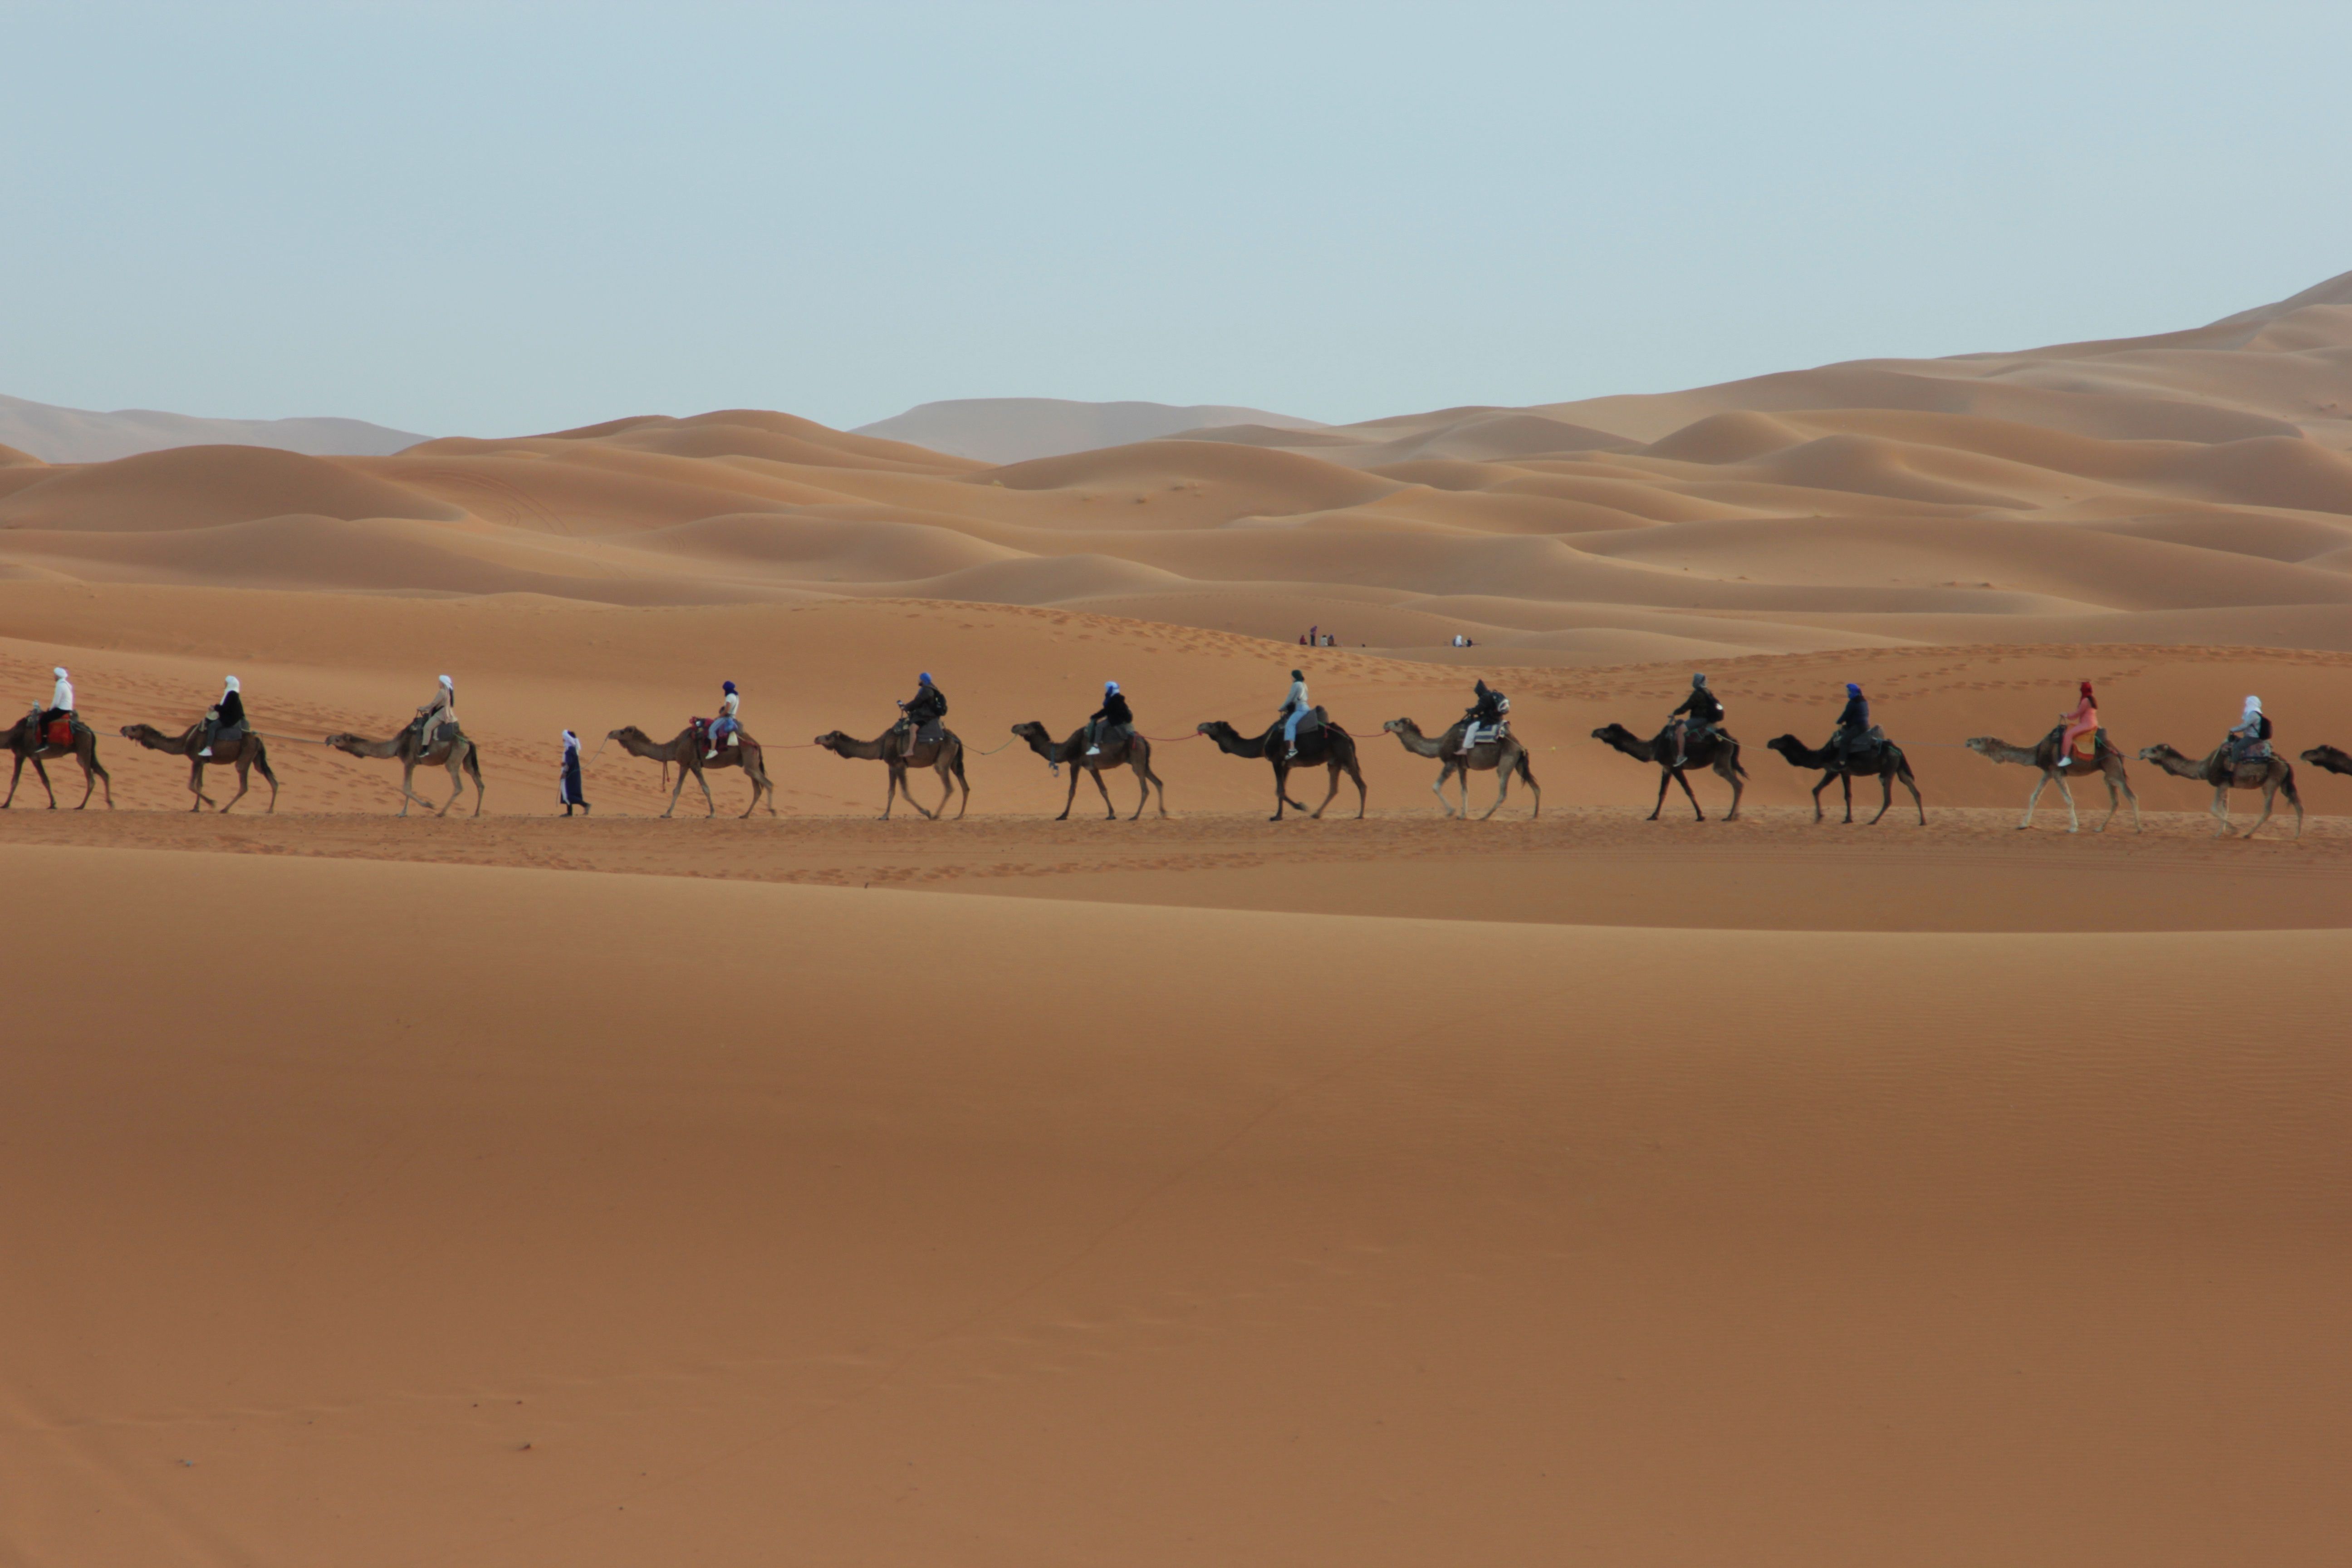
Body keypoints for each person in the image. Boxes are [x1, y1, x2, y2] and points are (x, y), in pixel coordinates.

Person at [1666, 672, 1723, 767]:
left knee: (1680, 731)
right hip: (1708, 719)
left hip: (1699, 719)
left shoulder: (1698, 693)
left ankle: (1681, 756)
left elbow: (1686, 707)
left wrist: (1675, 713)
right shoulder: (1707, 692)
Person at [897, 672, 947, 758]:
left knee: (913, 728)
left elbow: (917, 702)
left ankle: (910, 750)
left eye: (920, 679)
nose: (918, 680)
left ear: (923, 680)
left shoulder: (927, 690)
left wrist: (906, 707)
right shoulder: (930, 688)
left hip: (927, 715)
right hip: (926, 713)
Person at [196, 675, 245, 758]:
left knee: (212, 727)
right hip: (232, 717)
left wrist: (215, 708)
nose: (225, 684)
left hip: (230, 719)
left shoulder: (231, 694)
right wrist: (216, 707)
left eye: (226, 683)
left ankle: (208, 748)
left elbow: (225, 708)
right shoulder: (233, 693)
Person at [2054, 681, 2097, 770]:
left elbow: (2075, 715)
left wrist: (2066, 715)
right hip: (2093, 723)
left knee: (2068, 735)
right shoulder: (2092, 700)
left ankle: (2066, 758)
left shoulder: (2085, 701)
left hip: (2087, 725)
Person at [1084, 681, 1133, 756]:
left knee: (1099, 727)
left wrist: (1095, 716)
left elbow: (1105, 711)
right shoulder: (1116, 699)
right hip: (1114, 718)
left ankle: (1096, 747)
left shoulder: (1113, 701)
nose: (1106, 690)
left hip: (1116, 721)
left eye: (1107, 689)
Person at [1459, 679, 1506, 755]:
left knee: (1472, 727)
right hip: (1499, 718)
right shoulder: (1491, 695)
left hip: (1491, 719)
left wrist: (1471, 711)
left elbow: (1478, 709)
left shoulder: (1484, 698)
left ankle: (1465, 749)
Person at [2225, 695, 2272, 770]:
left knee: (2237, 747)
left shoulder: (2253, 715)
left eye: (2248, 703)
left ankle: (2232, 769)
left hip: (2252, 738)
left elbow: (2245, 726)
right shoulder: (2256, 714)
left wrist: (2233, 730)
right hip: (2252, 736)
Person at [1829, 682, 1872, 760]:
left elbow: (1846, 714)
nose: (1848, 693)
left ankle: (1842, 762)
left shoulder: (1853, 703)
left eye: (1849, 692)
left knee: (1844, 741)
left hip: (1859, 727)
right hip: (1865, 725)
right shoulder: (1863, 700)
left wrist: (1839, 721)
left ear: (1853, 692)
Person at [34, 666, 75, 743]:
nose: (54, 677)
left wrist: (51, 709)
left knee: (44, 720)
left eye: (55, 675)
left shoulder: (60, 686)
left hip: (62, 709)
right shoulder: (67, 684)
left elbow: (56, 701)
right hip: (68, 708)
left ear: (58, 677)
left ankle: (44, 742)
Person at [1277, 668, 1311, 759]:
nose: (1291, 678)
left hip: (1301, 709)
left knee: (1289, 725)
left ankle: (1292, 749)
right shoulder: (1304, 685)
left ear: (1295, 677)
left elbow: (1290, 698)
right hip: (1306, 708)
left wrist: (1282, 708)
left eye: (1292, 676)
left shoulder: (1296, 685)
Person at [416, 675, 457, 750]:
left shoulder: (442, 692)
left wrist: (423, 709)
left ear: (443, 683)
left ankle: (425, 749)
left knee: (427, 727)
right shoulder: (448, 691)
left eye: (440, 682)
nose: (439, 683)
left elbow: (434, 703)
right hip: (446, 713)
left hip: (441, 714)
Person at [704, 680, 741, 760]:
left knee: (712, 730)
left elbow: (727, 710)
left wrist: (719, 717)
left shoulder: (729, 697)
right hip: (733, 717)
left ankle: (713, 750)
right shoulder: (736, 696)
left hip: (727, 718)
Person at [558, 729, 589, 816]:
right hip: (573, 774)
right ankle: (570, 812)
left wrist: (564, 772)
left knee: (569, 793)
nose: (563, 740)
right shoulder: (573, 749)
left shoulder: (570, 750)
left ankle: (585, 805)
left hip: (570, 774)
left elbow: (569, 762)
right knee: (569, 792)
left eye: (564, 738)